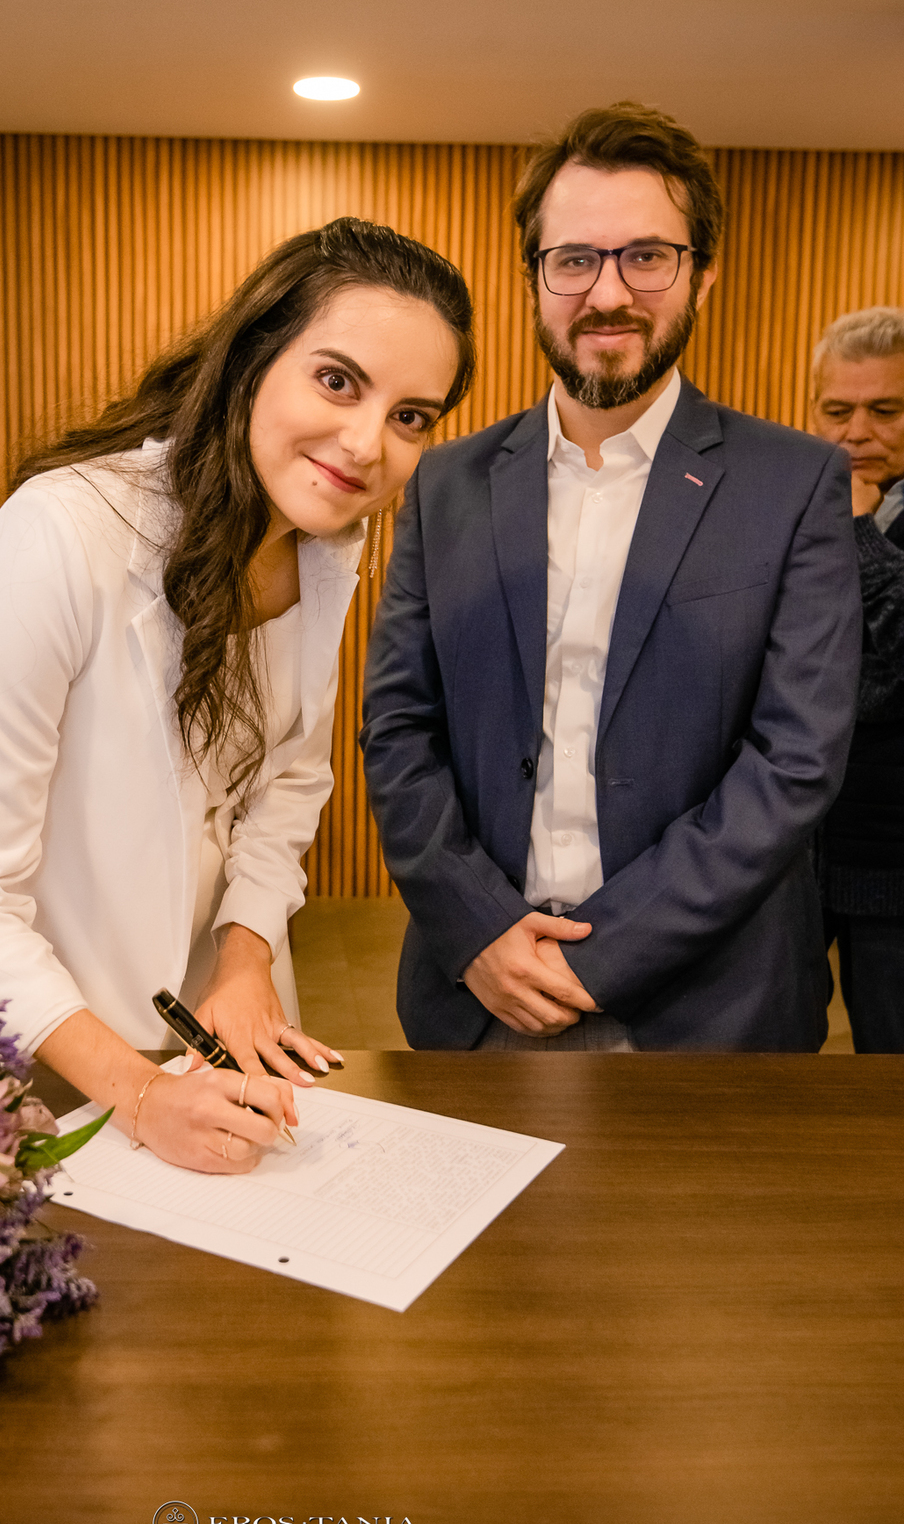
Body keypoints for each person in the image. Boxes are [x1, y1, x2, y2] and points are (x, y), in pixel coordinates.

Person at [0, 218, 474, 1171]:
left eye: (412, 415)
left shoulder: (330, 544)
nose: (369, 441)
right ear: (253, 358)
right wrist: (140, 1092)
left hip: (227, 1028)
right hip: (62, 1054)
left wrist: (246, 955)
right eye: (338, 380)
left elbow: (290, 781)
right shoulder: (63, 531)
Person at [361, 102, 861, 1053]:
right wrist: (480, 932)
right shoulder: (445, 482)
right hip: (477, 995)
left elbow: (794, 759)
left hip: (709, 1011)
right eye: (575, 259)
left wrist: (599, 957)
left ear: (702, 276)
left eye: (647, 256)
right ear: (535, 277)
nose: (607, 294)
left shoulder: (794, 484)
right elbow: (396, 727)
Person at [810, 307, 904, 1051]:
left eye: (886, 410)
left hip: (891, 860)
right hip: (799, 850)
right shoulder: (806, 505)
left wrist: (861, 532)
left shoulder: (852, 516)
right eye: (837, 410)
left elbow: (886, 678)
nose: (856, 432)